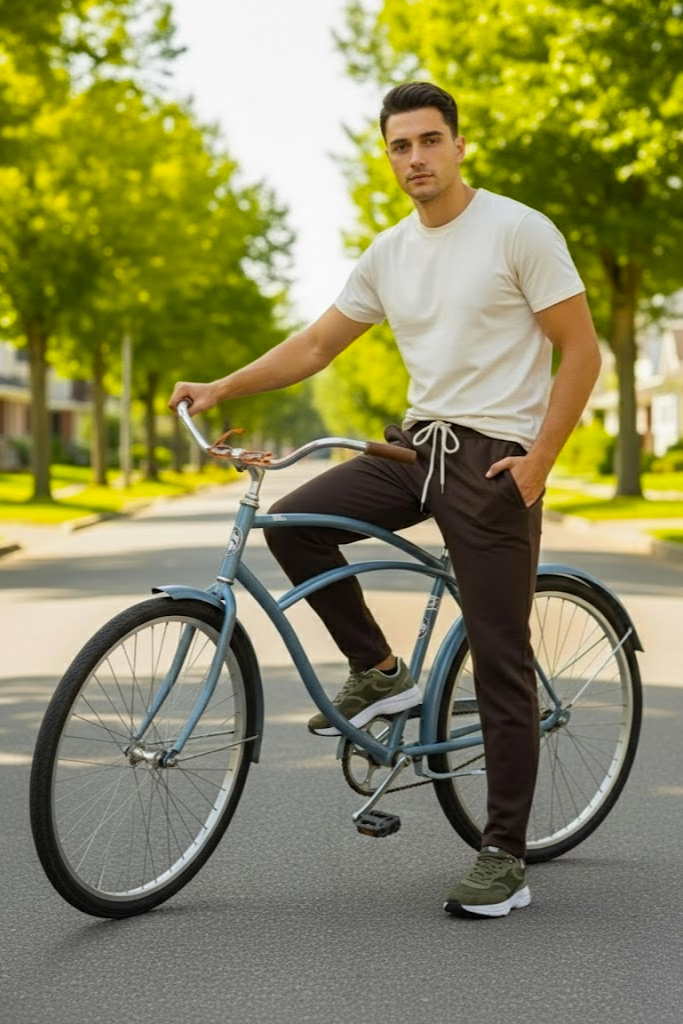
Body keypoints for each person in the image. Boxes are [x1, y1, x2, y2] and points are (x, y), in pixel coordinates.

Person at [168, 81, 601, 919]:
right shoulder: (389, 252)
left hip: (492, 465)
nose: (415, 159)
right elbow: (319, 343)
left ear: (458, 144)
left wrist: (539, 460)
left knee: (500, 658)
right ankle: (380, 669)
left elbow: (580, 350)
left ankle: (503, 856)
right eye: (400, 146)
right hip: (413, 449)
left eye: (429, 141)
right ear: (388, 154)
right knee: (294, 524)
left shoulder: (518, 230)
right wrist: (222, 385)